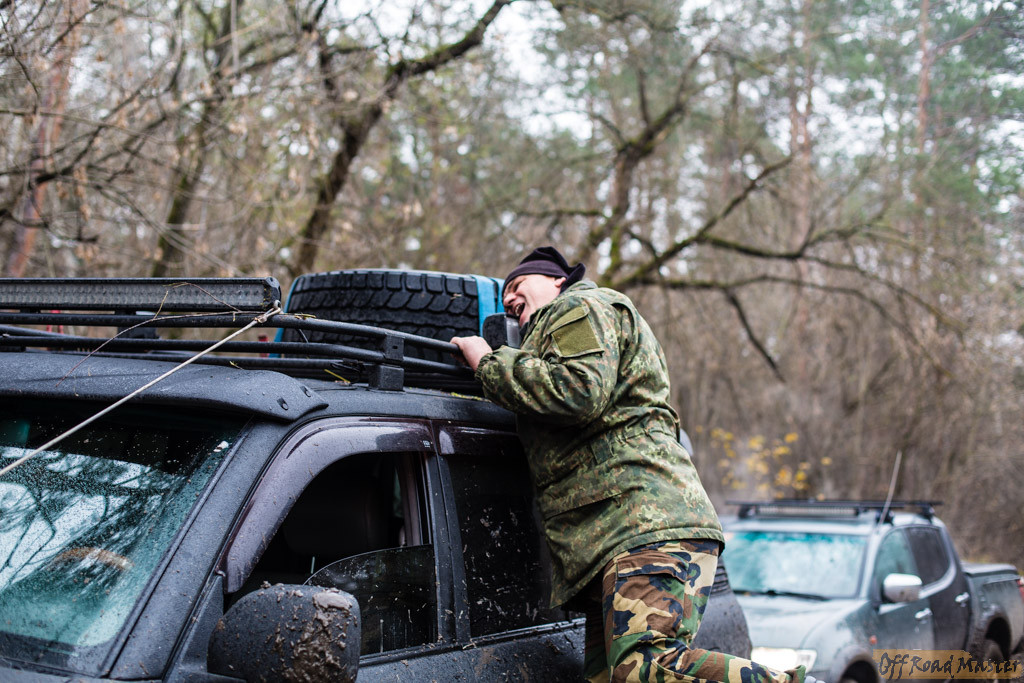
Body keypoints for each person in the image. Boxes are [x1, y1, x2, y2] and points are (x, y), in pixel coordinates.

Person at [451, 246, 813, 683]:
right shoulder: (559, 332)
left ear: (558, 281)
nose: (508, 298)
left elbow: (578, 391)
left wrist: (487, 361)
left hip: (642, 523)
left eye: (518, 285)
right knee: (609, 677)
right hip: (613, 539)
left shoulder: (578, 306)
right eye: (504, 294)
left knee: (644, 668)